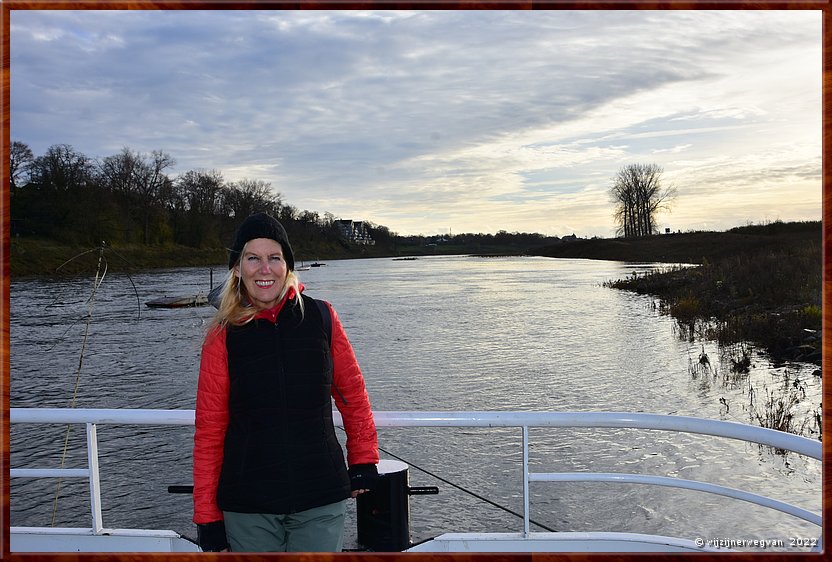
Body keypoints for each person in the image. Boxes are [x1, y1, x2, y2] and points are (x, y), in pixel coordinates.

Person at [193, 212, 379, 552]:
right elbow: (209, 429)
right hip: (249, 505)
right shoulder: (222, 336)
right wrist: (207, 515)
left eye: (274, 258)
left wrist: (363, 459)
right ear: (237, 268)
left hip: (320, 497)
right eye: (253, 258)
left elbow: (353, 395)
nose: (265, 269)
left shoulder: (322, 317)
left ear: (287, 266)